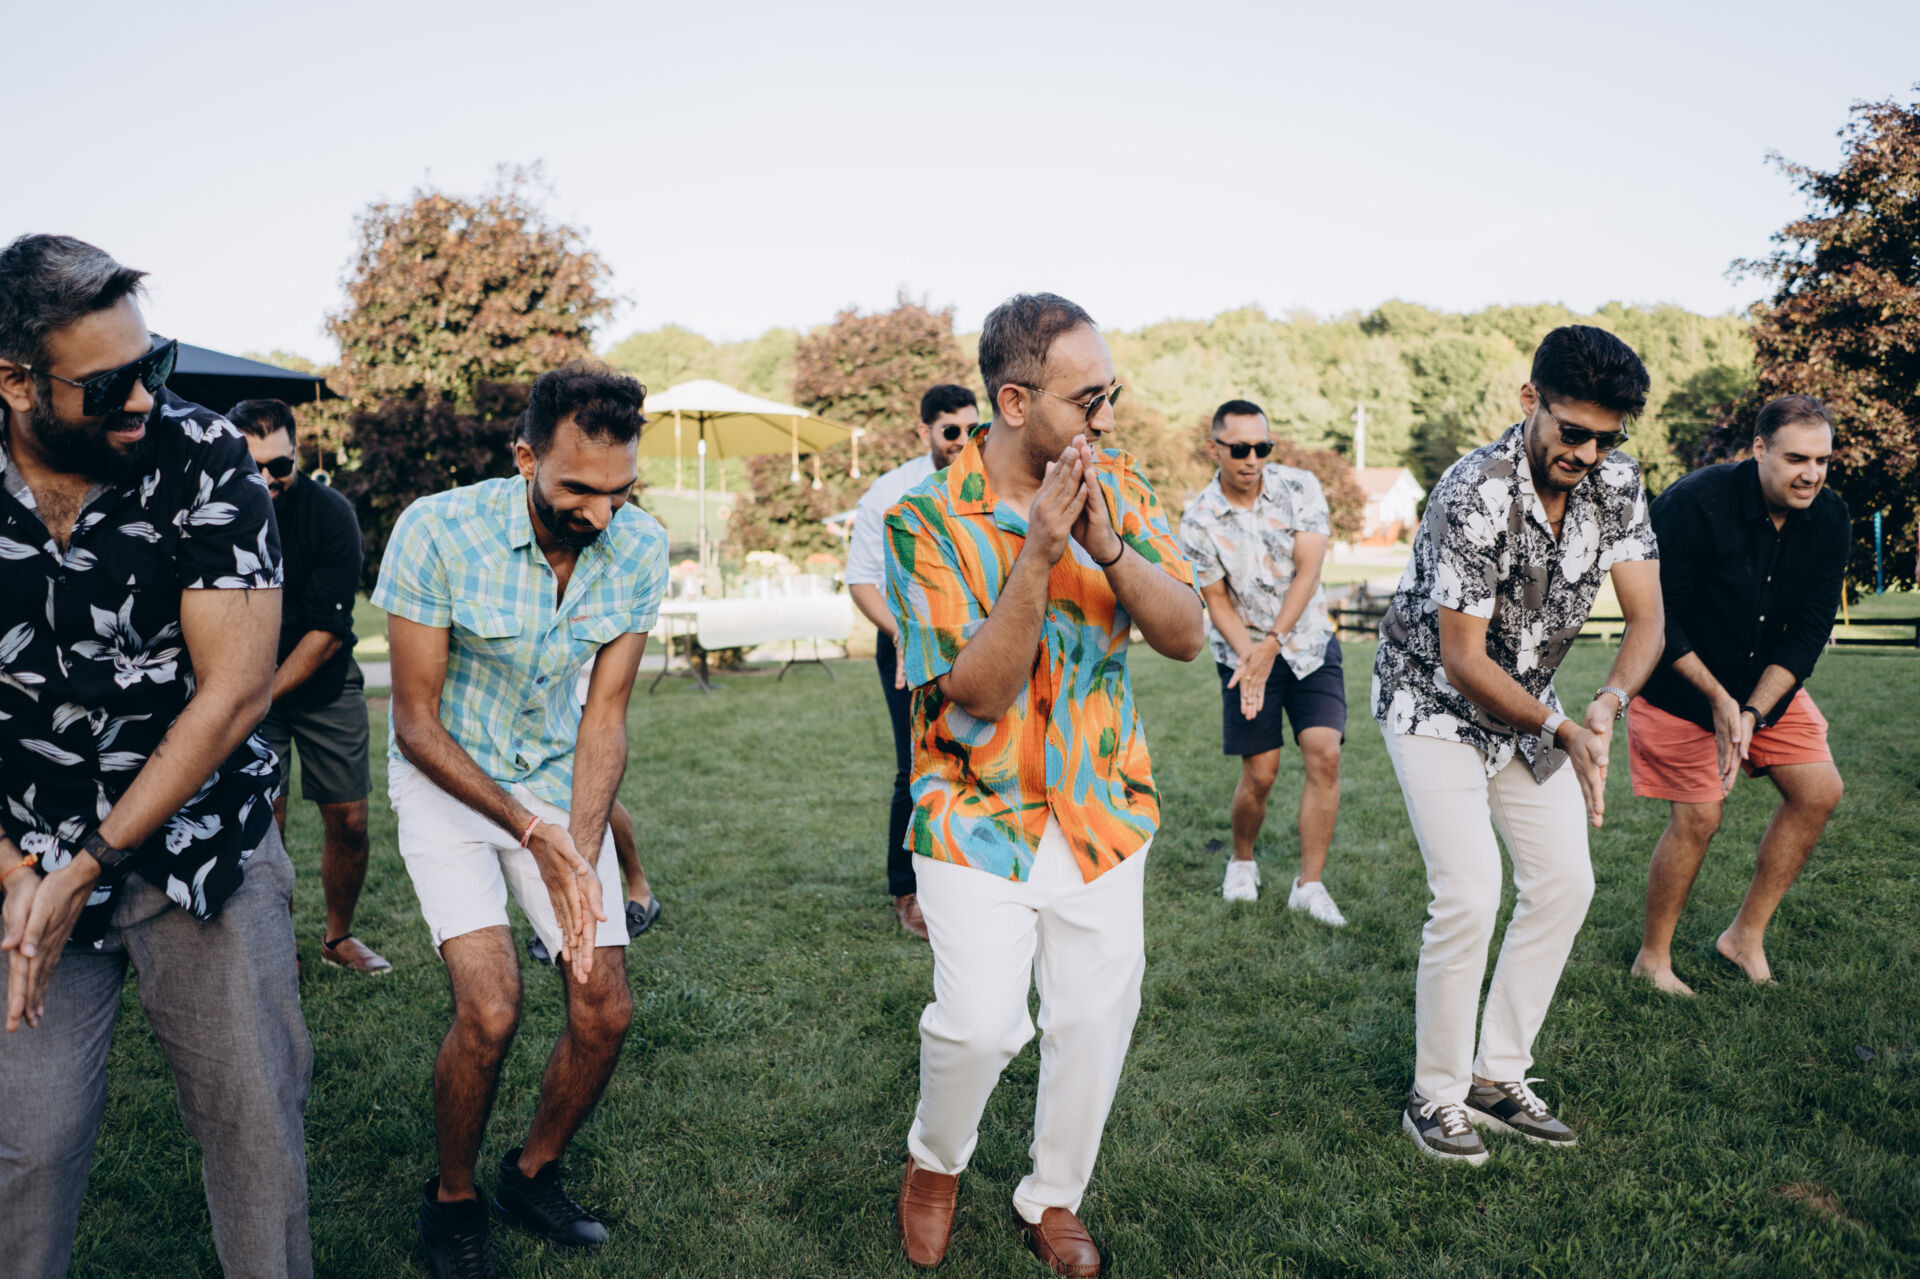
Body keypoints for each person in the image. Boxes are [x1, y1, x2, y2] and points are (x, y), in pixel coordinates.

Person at [0, 235, 311, 1276]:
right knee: (25, 1150)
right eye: (107, 385)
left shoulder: (208, 452)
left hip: (202, 841)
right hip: (25, 853)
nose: (142, 399)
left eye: (153, 364)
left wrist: (89, 861)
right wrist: (20, 874)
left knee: (256, 1130)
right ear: (14, 381)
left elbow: (235, 692)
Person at [886, 293, 1204, 1276]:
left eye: (1110, 395)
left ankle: (1052, 1195)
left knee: (1093, 1020)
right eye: (1086, 400)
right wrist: (1040, 553)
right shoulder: (924, 518)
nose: (1105, 419)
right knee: (979, 1024)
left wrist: (1109, 545)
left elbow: (1186, 634)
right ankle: (935, 1160)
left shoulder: (1124, 485)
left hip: (1102, 805)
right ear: (1016, 402)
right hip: (973, 809)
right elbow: (977, 690)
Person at [374, 362, 666, 1277]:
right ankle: (453, 1202)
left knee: (605, 1006)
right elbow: (415, 721)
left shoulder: (640, 546)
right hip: (445, 776)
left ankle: (532, 1172)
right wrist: (529, 833)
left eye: (620, 491)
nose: (602, 514)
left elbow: (604, 718)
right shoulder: (436, 530)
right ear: (525, 457)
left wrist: (578, 851)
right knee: (492, 1007)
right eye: (578, 489)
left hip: (548, 776)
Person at [1373, 325, 1665, 1165]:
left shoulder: (1616, 481)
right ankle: (1434, 1094)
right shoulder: (1476, 490)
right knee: (1469, 892)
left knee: (1566, 881)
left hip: (1533, 702)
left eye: (1607, 437)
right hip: (1433, 700)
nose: (1588, 453)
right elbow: (1463, 661)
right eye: (1573, 431)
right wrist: (1563, 730)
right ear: (1530, 400)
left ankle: (1495, 1075)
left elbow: (1648, 617)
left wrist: (1607, 702)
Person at [1628, 395, 1848, 994]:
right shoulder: (1693, 504)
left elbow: (1808, 632)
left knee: (1819, 790)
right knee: (1700, 817)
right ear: (1758, 450)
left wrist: (1752, 708)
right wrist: (1719, 699)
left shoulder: (1831, 517)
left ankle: (1743, 937)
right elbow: (1658, 619)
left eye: (1823, 461)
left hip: (1763, 686)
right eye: (1796, 459)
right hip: (1679, 683)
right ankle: (1653, 958)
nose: (1811, 474)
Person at [230, 398, 390, 975]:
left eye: (279, 465)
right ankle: (279, 946)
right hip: (245, 683)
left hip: (323, 681)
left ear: (297, 454)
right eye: (253, 466)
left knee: (349, 819)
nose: (267, 478)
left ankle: (337, 938)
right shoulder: (215, 511)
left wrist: (263, 694)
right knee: (263, 823)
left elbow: (327, 631)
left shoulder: (331, 514)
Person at [1180, 399, 1347, 921]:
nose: (1252, 459)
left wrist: (1274, 641)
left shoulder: (1300, 488)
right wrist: (1252, 656)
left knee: (1324, 753)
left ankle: (1309, 885)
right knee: (1261, 773)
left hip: (1308, 642)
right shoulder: (1198, 519)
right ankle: (1242, 861)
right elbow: (1216, 600)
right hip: (1243, 650)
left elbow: (1309, 571)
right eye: (1239, 449)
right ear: (1215, 448)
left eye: (1262, 447)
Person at [846, 382, 978, 939]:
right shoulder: (889, 492)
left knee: (975, 756)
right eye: (951, 430)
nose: (963, 440)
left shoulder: (992, 480)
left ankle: (973, 875)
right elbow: (861, 581)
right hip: (904, 641)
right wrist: (904, 634)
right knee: (916, 763)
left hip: (978, 639)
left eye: (973, 428)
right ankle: (908, 890)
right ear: (924, 431)